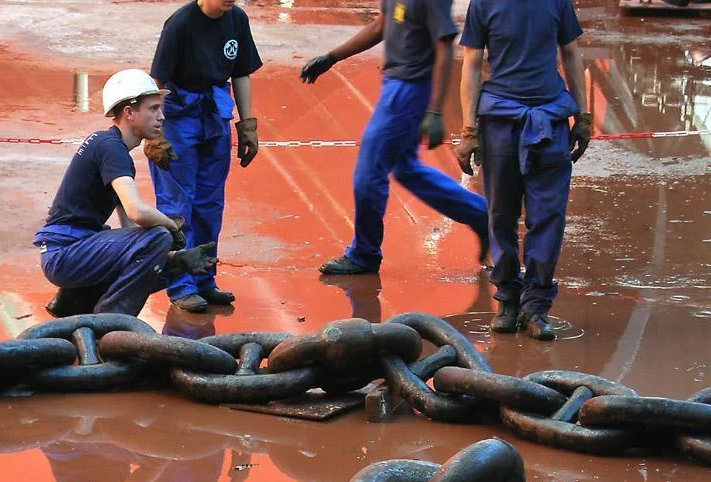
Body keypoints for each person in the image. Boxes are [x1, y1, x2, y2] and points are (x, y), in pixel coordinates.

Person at [299, 0, 489, 276]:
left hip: (409, 91)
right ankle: (480, 213)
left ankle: (364, 253)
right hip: (395, 85)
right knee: (407, 170)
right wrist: (332, 57)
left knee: (368, 173)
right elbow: (381, 25)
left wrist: (436, 111)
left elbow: (444, 46)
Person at [455, 0, 591, 341]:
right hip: (500, 122)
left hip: (550, 119)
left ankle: (536, 306)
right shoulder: (483, 4)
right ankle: (508, 302)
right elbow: (471, 64)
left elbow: (571, 53)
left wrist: (584, 116)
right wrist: (469, 130)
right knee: (501, 213)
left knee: (548, 215)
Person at [33, 68, 218, 319]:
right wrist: (171, 226)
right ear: (129, 113)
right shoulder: (111, 148)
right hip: (65, 255)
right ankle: (112, 321)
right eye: (153, 109)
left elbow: (132, 230)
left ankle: (77, 301)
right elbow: (137, 212)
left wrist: (176, 260)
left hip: (69, 253)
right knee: (158, 238)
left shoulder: (111, 147)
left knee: (162, 258)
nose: (162, 117)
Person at [143, 0, 263, 314]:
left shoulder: (236, 18)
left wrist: (247, 124)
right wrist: (157, 131)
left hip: (215, 115)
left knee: (210, 203)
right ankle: (181, 284)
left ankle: (205, 278)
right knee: (177, 204)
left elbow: (241, 73)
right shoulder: (181, 23)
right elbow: (158, 82)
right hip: (180, 116)